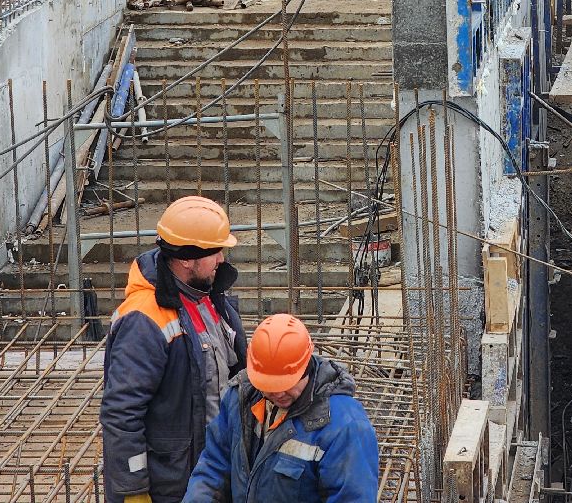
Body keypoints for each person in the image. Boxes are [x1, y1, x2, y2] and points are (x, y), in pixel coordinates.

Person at [101, 196, 246, 503]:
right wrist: (133, 489)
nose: (221, 259)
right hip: (171, 482)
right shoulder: (144, 320)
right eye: (214, 252)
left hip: (211, 469)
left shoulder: (206, 296)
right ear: (186, 259)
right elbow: (122, 412)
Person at [183, 314, 379, 503]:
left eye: (286, 384)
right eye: (269, 385)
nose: (277, 393)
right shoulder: (239, 399)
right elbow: (213, 467)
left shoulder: (344, 426)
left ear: (305, 367)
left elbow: (352, 496)